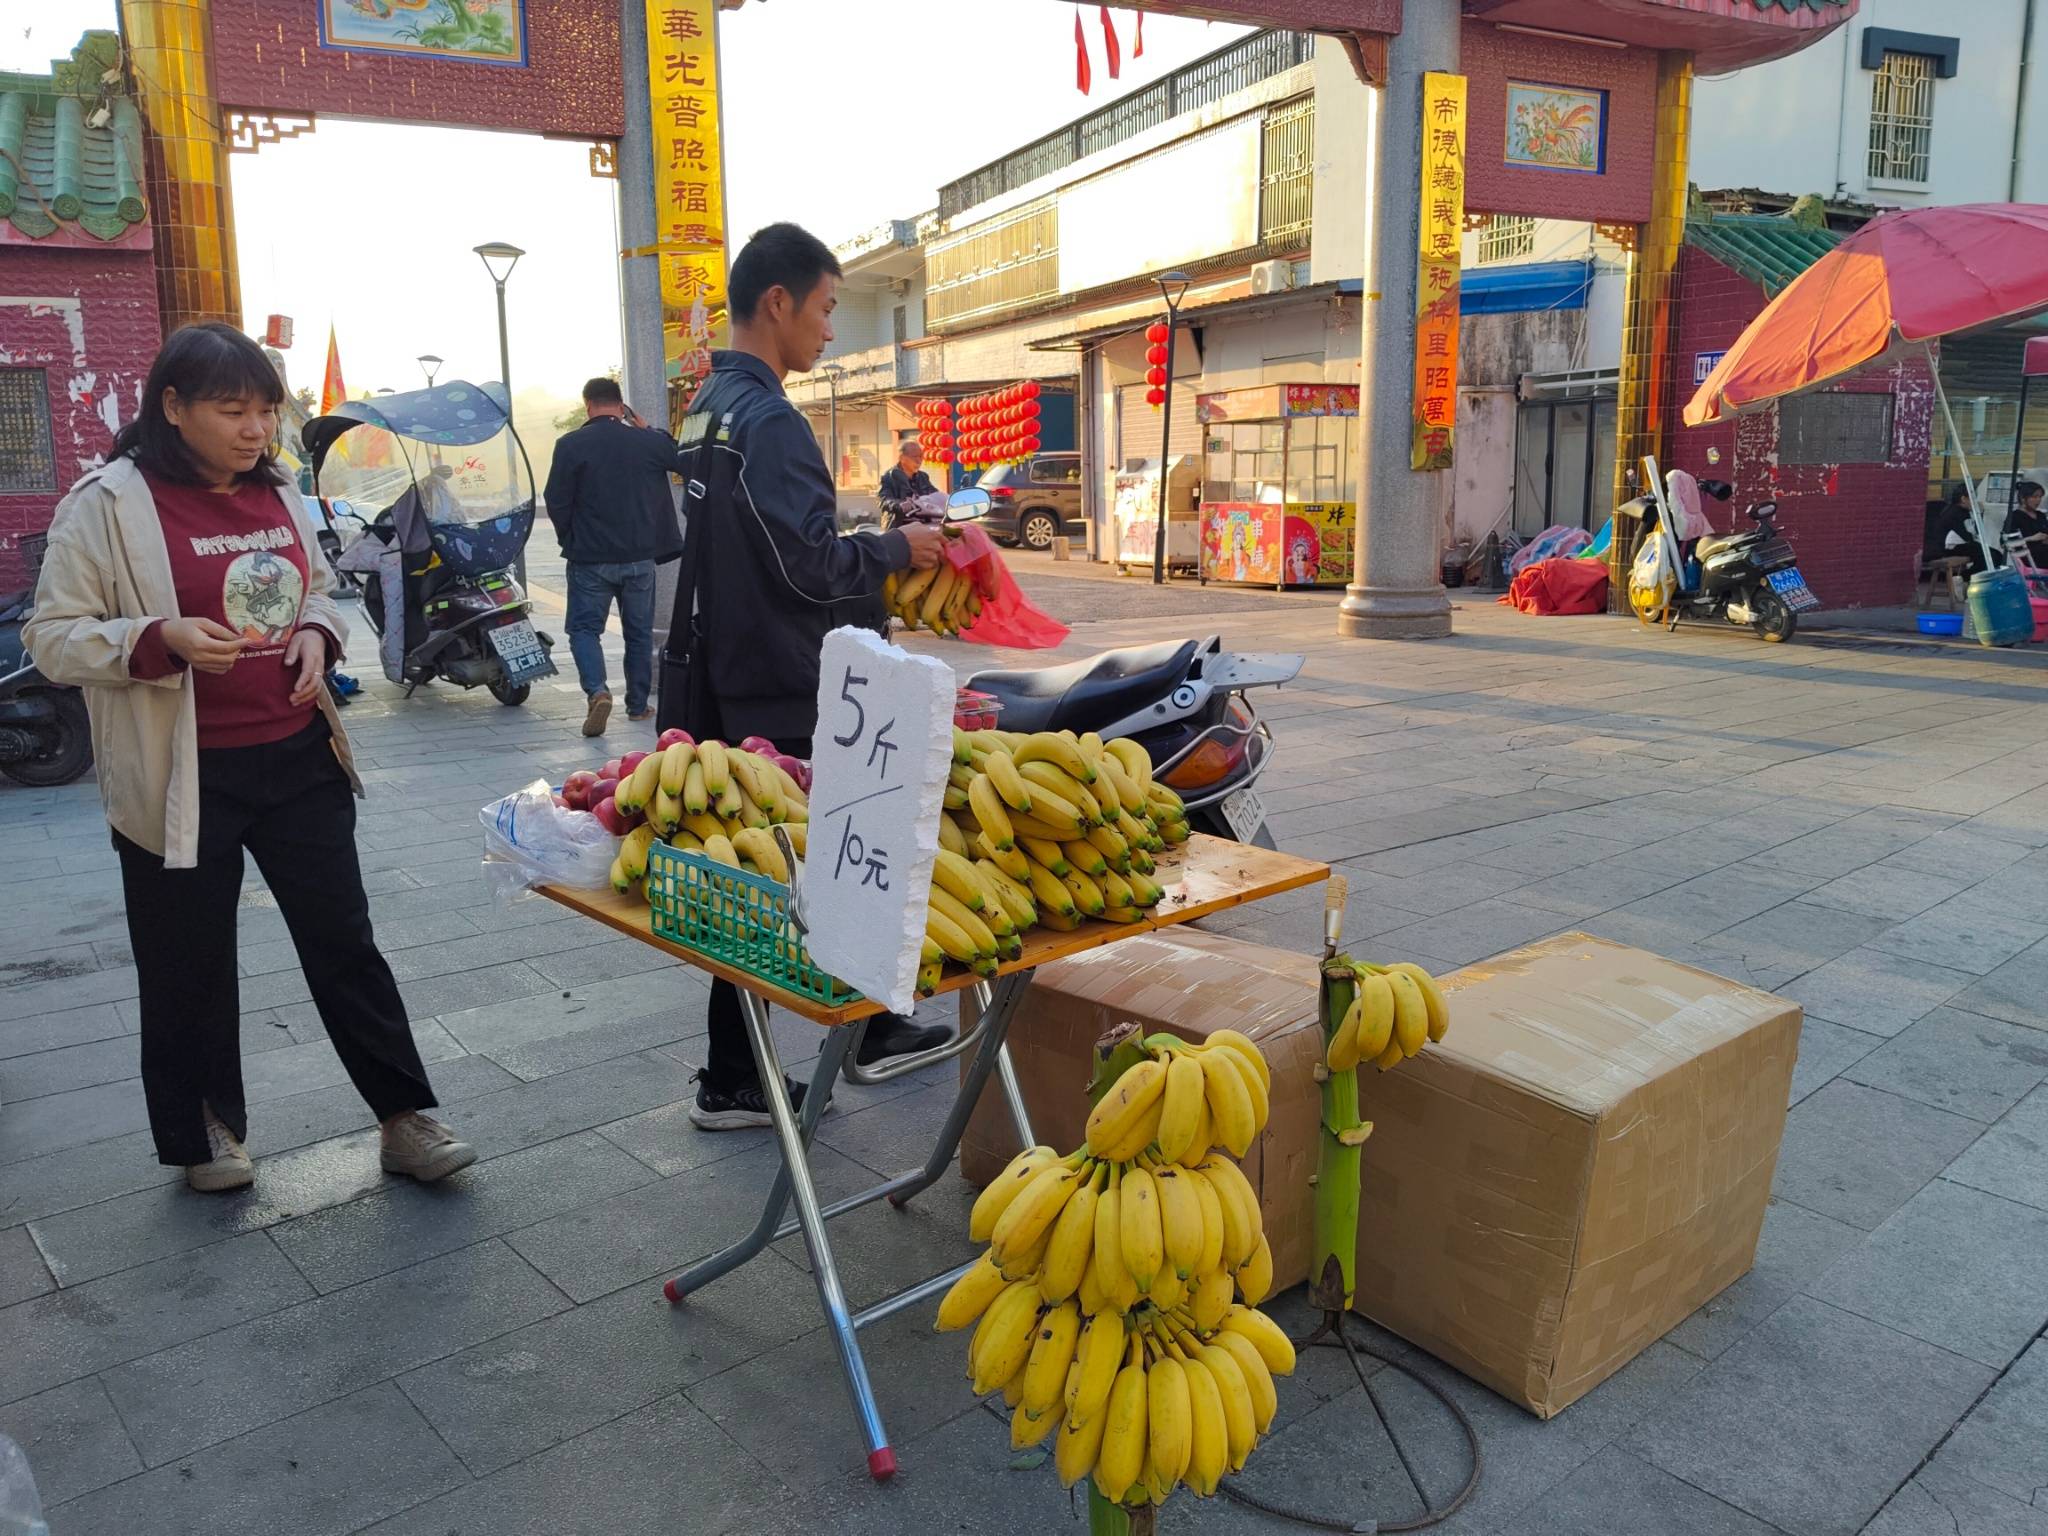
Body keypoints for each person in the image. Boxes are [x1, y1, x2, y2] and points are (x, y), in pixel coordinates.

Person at [25, 323, 476, 1194]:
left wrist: (314, 633)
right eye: (232, 410)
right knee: (187, 959)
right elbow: (51, 638)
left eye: (265, 411)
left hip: (298, 755)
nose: (255, 430)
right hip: (181, 774)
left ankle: (405, 1118)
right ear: (173, 408)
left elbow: (312, 587)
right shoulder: (109, 504)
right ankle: (207, 1131)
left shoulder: (276, 489)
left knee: (345, 943)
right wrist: (157, 638)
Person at [658, 222, 953, 1129]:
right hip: (777, 679)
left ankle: (817, 1041)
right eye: (826, 309)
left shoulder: (707, 403)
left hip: (715, 668)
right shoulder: (770, 418)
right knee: (825, 855)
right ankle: (748, 1072)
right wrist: (896, 546)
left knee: (752, 869)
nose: (832, 330)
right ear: (777, 303)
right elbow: (804, 565)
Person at [544, 376, 686, 737]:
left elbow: (556, 500)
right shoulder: (645, 442)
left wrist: (572, 538)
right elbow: (682, 459)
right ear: (621, 407)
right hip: (639, 557)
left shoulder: (570, 445)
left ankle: (598, 691)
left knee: (584, 629)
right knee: (638, 633)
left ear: (588, 405)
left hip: (590, 558)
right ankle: (638, 706)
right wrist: (649, 429)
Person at [877, 439, 938, 530]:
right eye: (914, 457)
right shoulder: (888, 477)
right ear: (902, 458)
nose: (919, 460)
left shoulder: (923, 477)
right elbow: (883, 500)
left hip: (923, 526)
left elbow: (935, 494)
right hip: (898, 527)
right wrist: (899, 504)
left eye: (921, 456)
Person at [1937, 484, 1993, 575]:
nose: (1975, 502)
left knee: (1990, 553)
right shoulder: (1955, 513)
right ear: (1963, 499)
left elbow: (1974, 532)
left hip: (1957, 545)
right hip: (1950, 548)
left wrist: (1978, 514)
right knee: (1989, 554)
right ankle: (1968, 577)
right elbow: (1968, 535)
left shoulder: (1960, 511)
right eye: (1973, 499)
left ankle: (1970, 576)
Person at [2006, 480, 2047, 564]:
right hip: (2030, 557)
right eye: (2035, 497)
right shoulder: (2015, 517)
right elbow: (2005, 543)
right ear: (2023, 498)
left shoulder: (2040, 515)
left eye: (2040, 497)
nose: (2038, 500)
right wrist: (2031, 538)